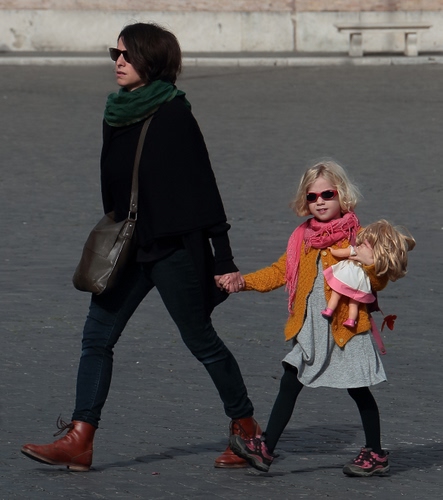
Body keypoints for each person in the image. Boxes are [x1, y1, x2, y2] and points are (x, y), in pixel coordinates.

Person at [20, 22, 260, 472]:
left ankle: (247, 428)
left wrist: (223, 258)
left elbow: (205, 190)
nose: (118, 61)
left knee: (201, 341)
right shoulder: (116, 112)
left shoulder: (175, 115)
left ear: (150, 59)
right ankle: (80, 438)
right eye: (115, 53)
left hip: (173, 249)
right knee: (97, 337)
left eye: (126, 54)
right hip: (130, 248)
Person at [219, 159, 415, 477]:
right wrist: (243, 282)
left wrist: (370, 263)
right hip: (310, 329)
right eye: (312, 197)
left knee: (358, 388)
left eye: (327, 194)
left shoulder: (357, 237)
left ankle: (376, 453)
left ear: (342, 195)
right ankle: (265, 449)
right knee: (290, 380)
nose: (320, 201)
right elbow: (281, 271)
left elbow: (375, 282)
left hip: (346, 330)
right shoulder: (303, 238)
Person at [321, 219, 414, 327]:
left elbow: (379, 283)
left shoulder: (356, 244)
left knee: (339, 295)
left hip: (346, 280)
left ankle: (332, 311)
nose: (361, 245)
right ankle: (349, 319)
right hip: (358, 284)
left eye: (365, 244)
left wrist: (332, 251)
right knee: (353, 303)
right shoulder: (357, 241)